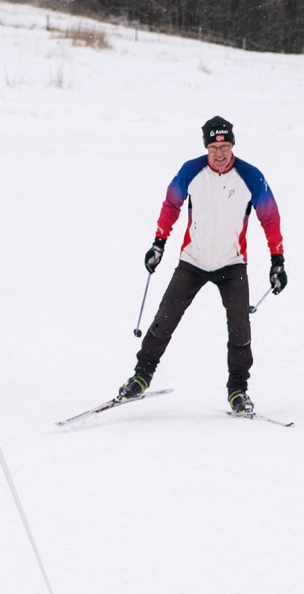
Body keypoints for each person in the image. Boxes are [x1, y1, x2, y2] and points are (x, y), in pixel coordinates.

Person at [117, 116, 284, 415]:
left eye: (225, 146)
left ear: (232, 145)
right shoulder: (191, 171)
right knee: (164, 320)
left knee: (240, 331)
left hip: (232, 265)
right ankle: (141, 376)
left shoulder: (251, 177)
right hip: (192, 261)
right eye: (213, 147)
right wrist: (159, 243)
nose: (219, 153)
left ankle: (238, 390)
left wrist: (278, 261)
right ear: (206, 147)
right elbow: (171, 205)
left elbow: (269, 218)